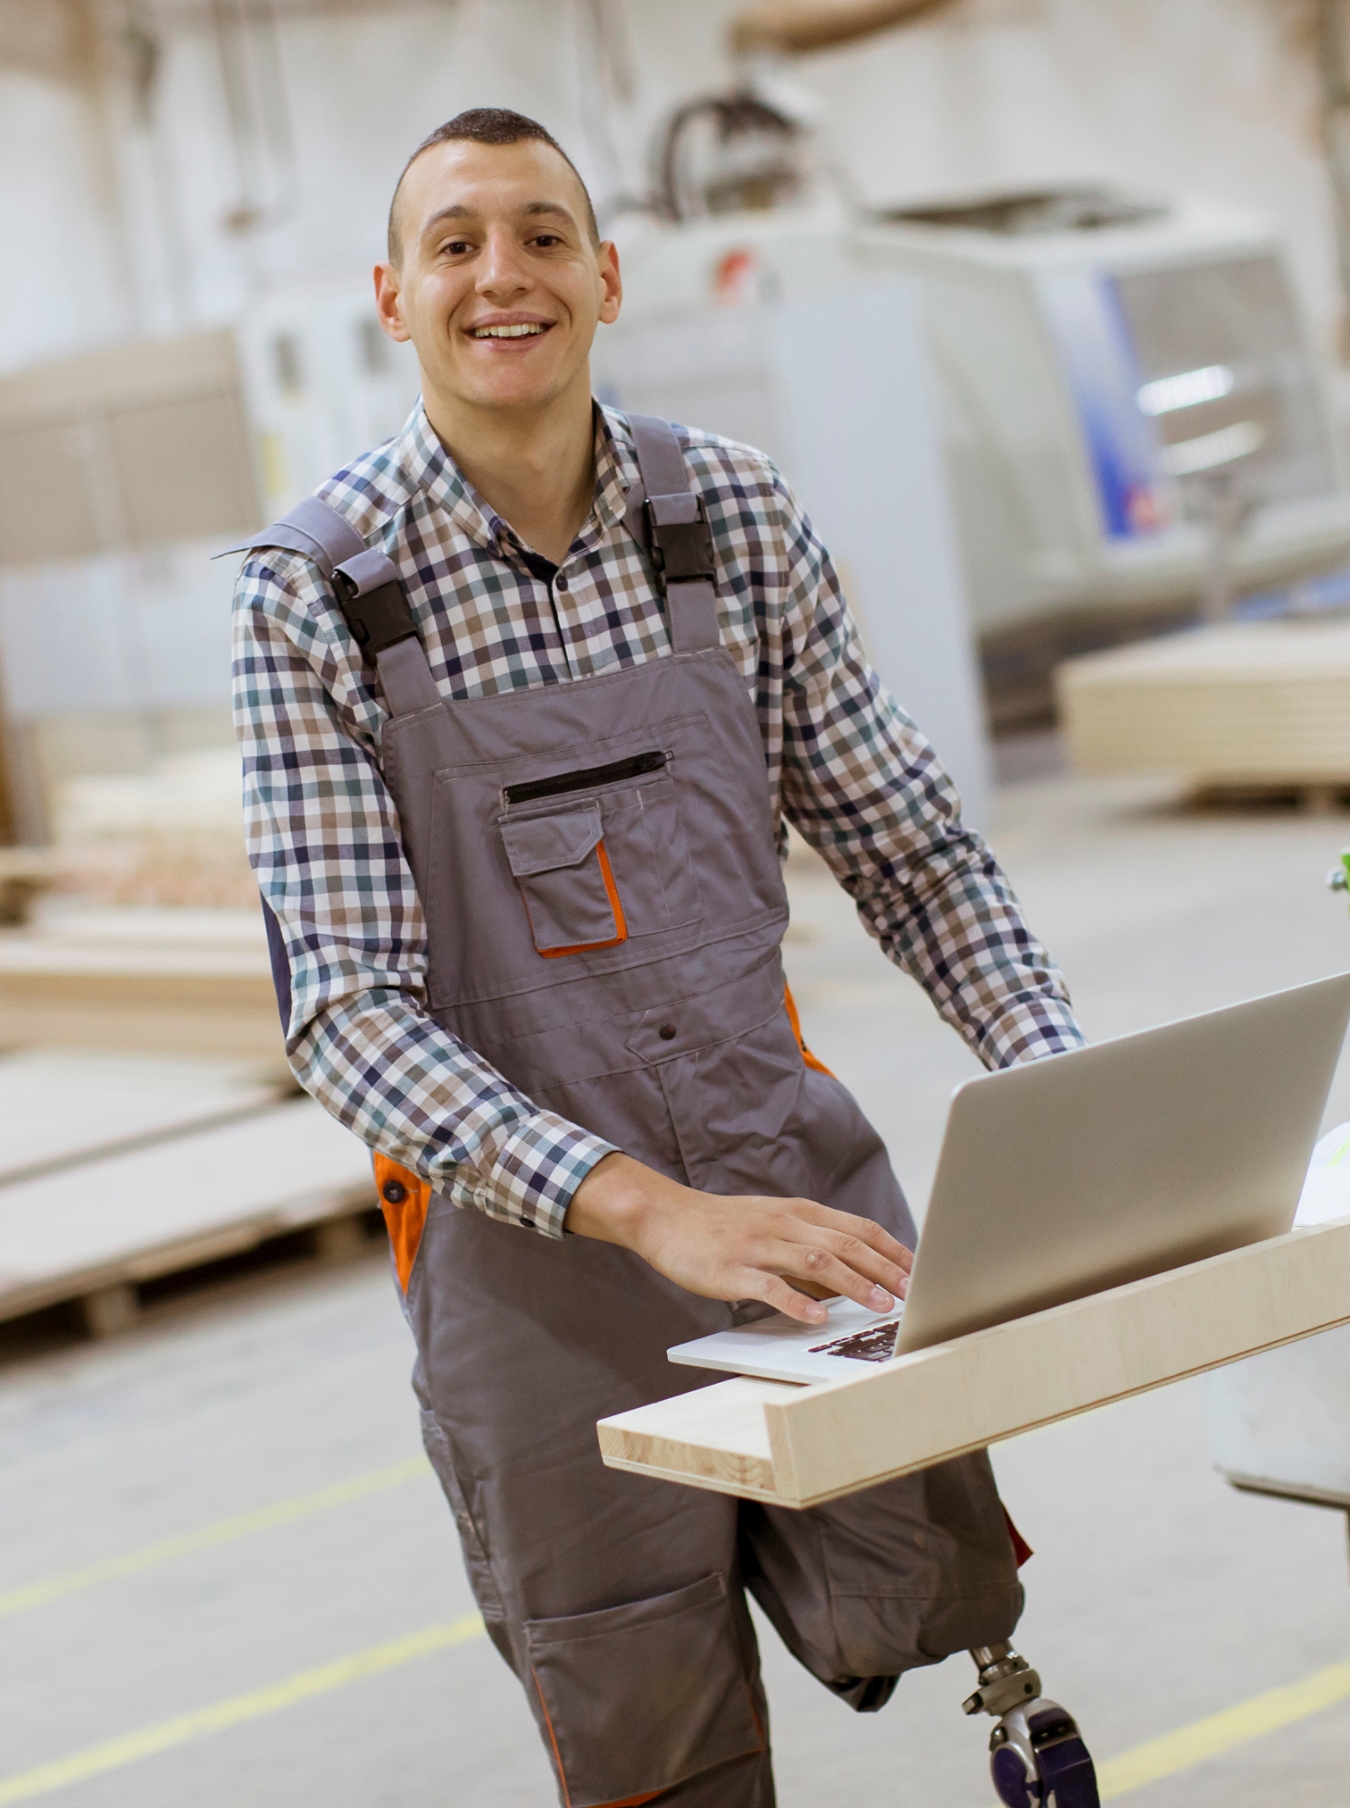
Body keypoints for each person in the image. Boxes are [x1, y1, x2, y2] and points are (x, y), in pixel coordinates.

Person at [232, 106, 1093, 1808]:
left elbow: (907, 845)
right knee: (658, 1752)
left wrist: (1065, 1079)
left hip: (798, 1207)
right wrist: (652, 1212)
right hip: (540, 1288)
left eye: (545, 234)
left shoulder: (735, 520)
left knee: (932, 1604)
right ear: (392, 299)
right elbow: (340, 1008)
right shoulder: (314, 597)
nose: (505, 273)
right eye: (456, 241)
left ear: (609, 276)